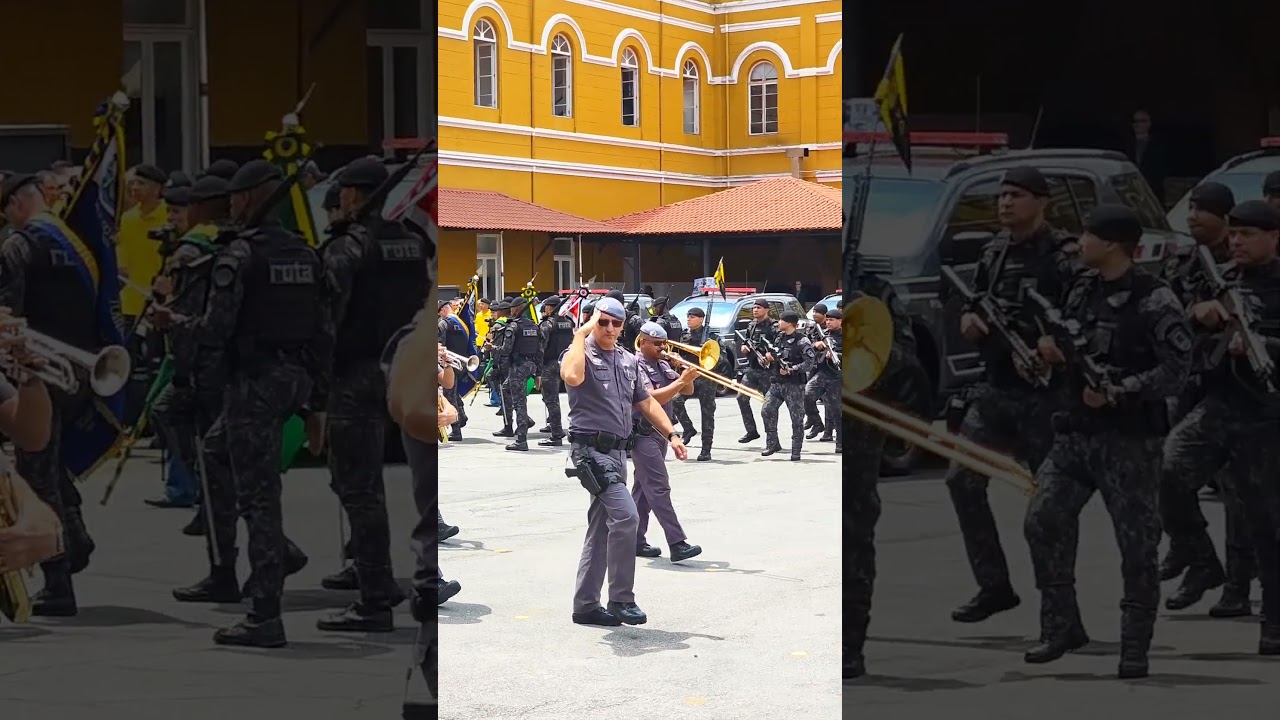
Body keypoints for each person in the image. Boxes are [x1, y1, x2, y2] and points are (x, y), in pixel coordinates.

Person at [1025, 204, 1191, 678]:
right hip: (1076, 434)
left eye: (1088, 235)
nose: (1080, 242)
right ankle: (1061, 626)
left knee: (1137, 546)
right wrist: (1049, 353)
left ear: (1113, 244)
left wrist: (1119, 390)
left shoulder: (1155, 299)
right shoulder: (1083, 288)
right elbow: (1071, 344)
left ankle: (1134, 645)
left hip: (1129, 441)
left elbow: (1177, 370)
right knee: (1043, 520)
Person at [192, 159, 332, 647]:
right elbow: (323, 332)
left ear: (249, 198)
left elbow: (216, 329)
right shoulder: (305, 254)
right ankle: (264, 556)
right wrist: (317, 401)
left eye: (235, 196)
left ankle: (264, 614)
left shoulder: (241, 255)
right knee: (215, 452)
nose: (230, 203)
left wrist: (177, 324)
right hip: (293, 379)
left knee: (260, 497)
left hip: (253, 382)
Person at [946, 166, 1079, 624]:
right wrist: (970, 320)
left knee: (1049, 505)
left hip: (1047, 395)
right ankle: (994, 586)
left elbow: (1082, 314)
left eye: (1017, 195)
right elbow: (976, 301)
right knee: (962, 481)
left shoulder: (1064, 255)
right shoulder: (994, 250)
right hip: (997, 389)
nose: (1005, 203)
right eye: (1002, 195)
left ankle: (1059, 610)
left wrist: (1053, 345)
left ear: (1042, 202)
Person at [1160, 200, 1280, 655]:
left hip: (1268, 412)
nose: (1237, 242)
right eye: (1233, 234)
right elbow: (1174, 335)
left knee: (1265, 522)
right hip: (1220, 405)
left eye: (1248, 235)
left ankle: (1274, 620)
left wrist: (1261, 344)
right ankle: (1200, 558)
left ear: (1274, 237)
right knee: (1168, 471)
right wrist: (1198, 315)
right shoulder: (1218, 278)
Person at [314, 157, 425, 631]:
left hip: (355, 376)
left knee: (359, 488)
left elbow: (326, 322)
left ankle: (374, 597)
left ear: (354, 195)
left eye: (342, 193)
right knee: (403, 487)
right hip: (402, 371)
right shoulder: (411, 242)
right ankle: (373, 570)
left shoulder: (347, 247)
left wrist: (315, 390)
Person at [0, 173, 104, 616]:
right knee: (53, 468)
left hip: (37, 370)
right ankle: (74, 537)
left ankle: (59, 580)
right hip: (77, 371)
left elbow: (9, 312)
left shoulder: (19, 246)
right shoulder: (76, 244)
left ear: (14, 204)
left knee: (38, 472)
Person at [561, 298, 688, 627]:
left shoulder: (627, 359)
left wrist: (672, 434)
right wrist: (580, 334)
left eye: (616, 324)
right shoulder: (580, 352)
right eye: (603, 322)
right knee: (627, 516)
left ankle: (585, 606)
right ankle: (621, 598)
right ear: (593, 322)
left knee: (600, 529)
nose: (609, 329)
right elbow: (571, 376)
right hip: (590, 452)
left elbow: (645, 402)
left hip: (618, 453)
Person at [631, 322, 702, 562]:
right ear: (643, 342)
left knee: (643, 490)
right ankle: (677, 542)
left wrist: (685, 372)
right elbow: (651, 399)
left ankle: (634, 541)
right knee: (659, 487)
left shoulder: (662, 363)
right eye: (657, 344)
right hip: (643, 433)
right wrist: (680, 381)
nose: (663, 348)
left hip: (661, 433)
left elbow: (687, 391)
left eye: (664, 343)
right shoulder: (636, 365)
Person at [759, 311, 816, 460]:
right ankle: (772, 444)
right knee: (767, 410)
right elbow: (775, 355)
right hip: (777, 383)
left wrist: (791, 369)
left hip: (794, 385)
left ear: (789, 323)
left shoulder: (802, 341)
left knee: (796, 419)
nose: (778, 323)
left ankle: (796, 450)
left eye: (781, 320)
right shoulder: (779, 337)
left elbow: (809, 363)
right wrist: (768, 358)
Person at [672, 307, 717, 461]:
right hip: (689, 375)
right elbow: (676, 352)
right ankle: (688, 428)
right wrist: (675, 358)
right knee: (675, 401)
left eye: (692, 317)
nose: (689, 319)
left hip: (706, 379)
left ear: (701, 319)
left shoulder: (711, 337)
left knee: (707, 413)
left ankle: (706, 449)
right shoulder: (684, 335)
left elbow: (720, 358)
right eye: (688, 316)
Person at [737, 298, 777, 444]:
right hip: (752, 369)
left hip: (768, 371)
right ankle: (751, 431)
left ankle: (772, 439)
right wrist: (744, 347)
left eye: (759, 307)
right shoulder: (752, 325)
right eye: (754, 307)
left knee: (769, 405)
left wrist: (771, 354)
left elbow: (779, 344)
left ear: (767, 310)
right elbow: (746, 341)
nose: (755, 310)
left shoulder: (774, 326)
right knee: (741, 398)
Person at [536, 296, 573, 446]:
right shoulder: (568, 322)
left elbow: (541, 348)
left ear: (549, 307)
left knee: (551, 400)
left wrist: (537, 370)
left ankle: (556, 434)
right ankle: (554, 425)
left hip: (550, 364)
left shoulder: (548, 324)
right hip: (565, 362)